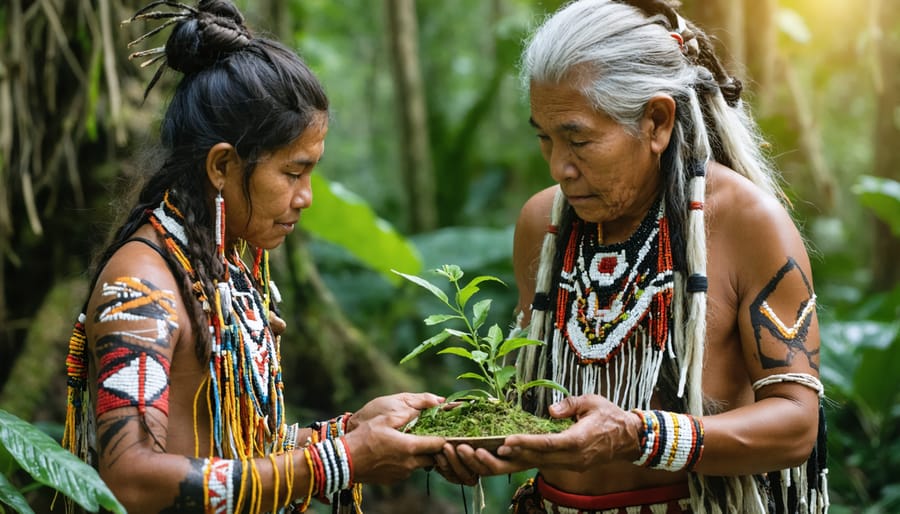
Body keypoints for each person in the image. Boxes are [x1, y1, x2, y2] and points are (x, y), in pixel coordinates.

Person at [436, 1, 828, 513]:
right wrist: (482, 438)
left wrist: (637, 435)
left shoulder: (744, 222)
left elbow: (797, 424)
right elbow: (543, 403)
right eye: (545, 139)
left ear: (657, 122)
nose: (559, 167)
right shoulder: (544, 226)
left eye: (578, 139)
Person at [61, 1, 445, 512]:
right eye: (293, 173)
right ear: (222, 165)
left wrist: (353, 431)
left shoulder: (222, 268)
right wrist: (343, 459)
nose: (306, 196)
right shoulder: (142, 284)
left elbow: (236, 449)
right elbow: (130, 480)